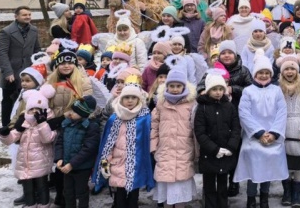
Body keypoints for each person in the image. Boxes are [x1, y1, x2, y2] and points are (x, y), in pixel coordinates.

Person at [234, 50, 289, 208]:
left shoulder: (276, 90)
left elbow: (281, 112)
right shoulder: (248, 91)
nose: (264, 75)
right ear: (255, 74)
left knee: (268, 168)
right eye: (260, 72)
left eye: (266, 72)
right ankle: (251, 199)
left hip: (273, 137)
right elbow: (244, 113)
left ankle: (264, 198)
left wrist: (273, 133)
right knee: (254, 168)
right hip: (253, 137)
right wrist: (259, 133)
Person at [93, 80, 155, 208]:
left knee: (133, 199)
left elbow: (147, 143)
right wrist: (105, 165)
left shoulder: (145, 118)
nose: (130, 100)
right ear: (121, 98)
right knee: (119, 197)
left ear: (139, 99)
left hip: (136, 165)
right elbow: (107, 145)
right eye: (127, 97)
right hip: (117, 164)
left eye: (134, 97)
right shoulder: (114, 118)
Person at [0, 84, 57, 208]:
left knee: (42, 186)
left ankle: (44, 204)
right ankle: (30, 204)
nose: (34, 111)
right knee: (28, 188)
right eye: (32, 108)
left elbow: (48, 139)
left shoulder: (49, 121)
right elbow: (13, 138)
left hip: (41, 161)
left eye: (38, 109)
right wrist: (4, 134)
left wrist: (42, 123)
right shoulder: (24, 121)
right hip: (24, 163)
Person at [150, 69, 198, 208]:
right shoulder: (161, 103)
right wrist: (153, 146)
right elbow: (154, 126)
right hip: (165, 150)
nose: (175, 89)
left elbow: (195, 127)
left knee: (180, 186)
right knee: (166, 185)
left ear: (184, 86)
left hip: (184, 150)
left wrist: (196, 149)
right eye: (172, 86)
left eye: (178, 86)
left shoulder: (191, 104)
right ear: (167, 86)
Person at [195, 71, 242, 208]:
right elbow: (200, 132)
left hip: (225, 152)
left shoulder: (229, 106)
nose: (218, 92)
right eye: (214, 89)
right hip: (209, 153)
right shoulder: (203, 107)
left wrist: (231, 147)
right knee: (209, 186)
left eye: (221, 89)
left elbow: (236, 128)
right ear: (208, 90)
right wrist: (214, 149)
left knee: (222, 186)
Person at [276, 53, 300, 207]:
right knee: (284, 160)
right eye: (286, 69)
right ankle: (287, 191)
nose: (289, 72)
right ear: (282, 71)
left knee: (299, 160)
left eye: (292, 69)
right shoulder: (277, 88)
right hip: (282, 126)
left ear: (297, 70)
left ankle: (297, 193)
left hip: (299, 126)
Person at [0, 6, 41, 126]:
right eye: (24, 15)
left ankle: (21, 126)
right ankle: (6, 127)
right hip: (12, 73)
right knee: (8, 101)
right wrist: (8, 72)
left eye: (29, 15)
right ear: (16, 17)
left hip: (28, 72)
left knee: (26, 101)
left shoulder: (33, 30)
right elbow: (1, 53)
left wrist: (39, 66)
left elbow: (37, 50)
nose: (28, 17)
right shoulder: (6, 31)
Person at [54, 95, 100, 208]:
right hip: (66, 165)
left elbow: (88, 149)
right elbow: (59, 142)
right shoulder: (67, 123)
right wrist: (59, 158)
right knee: (68, 192)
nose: (70, 113)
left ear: (84, 113)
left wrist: (72, 164)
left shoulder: (91, 127)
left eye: (74, 111)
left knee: (81, 191)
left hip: (82, 167)